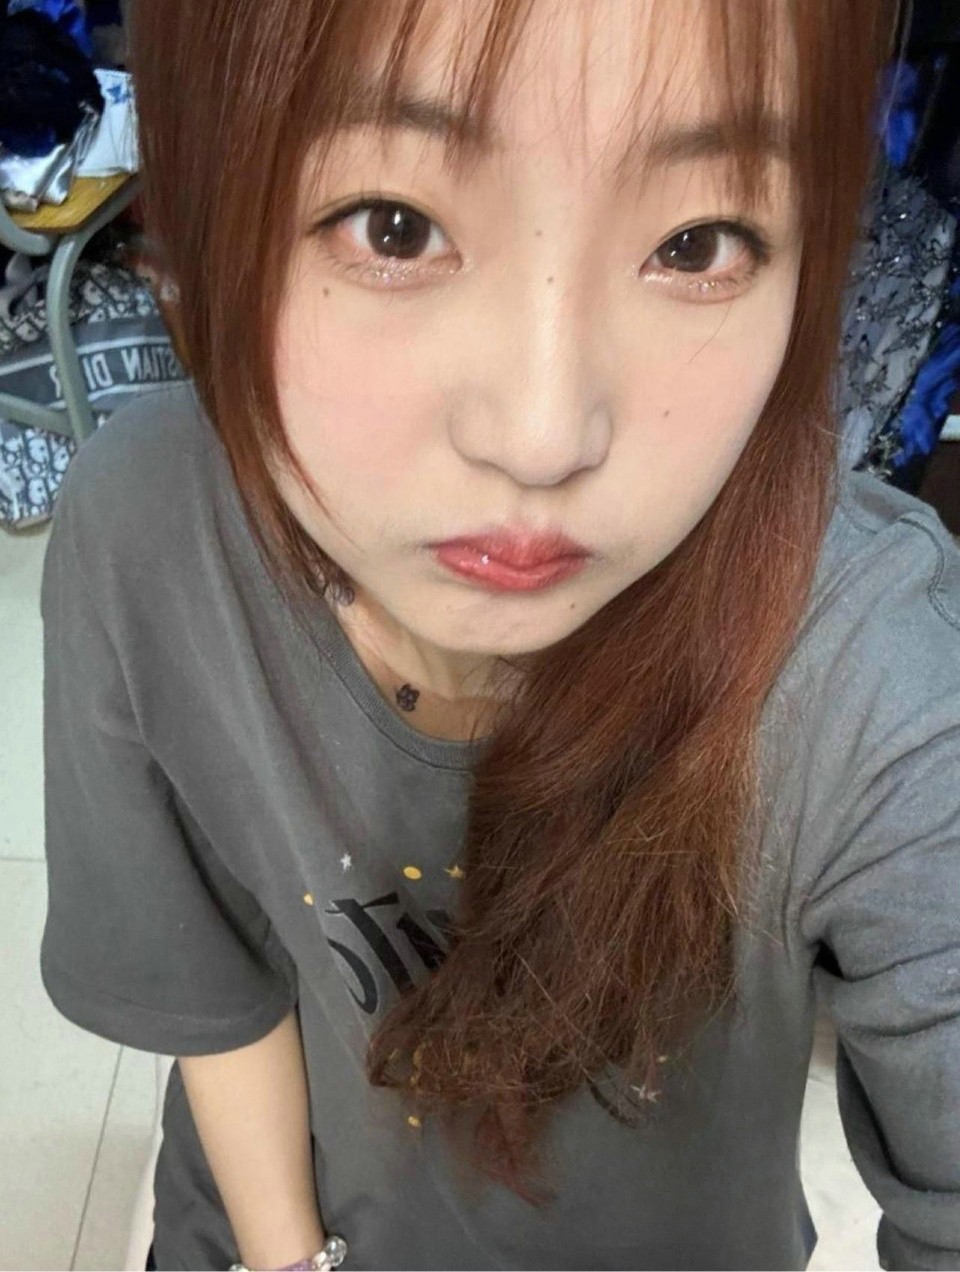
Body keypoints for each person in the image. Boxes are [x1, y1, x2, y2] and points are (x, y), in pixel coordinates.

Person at [37, 0, 960, 1268]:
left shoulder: (868, 674)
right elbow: (215, 986)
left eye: (696, 243)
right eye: (394, 226)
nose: (542, 436)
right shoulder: (147, 528)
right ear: (194, 233)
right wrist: (287, 1258)